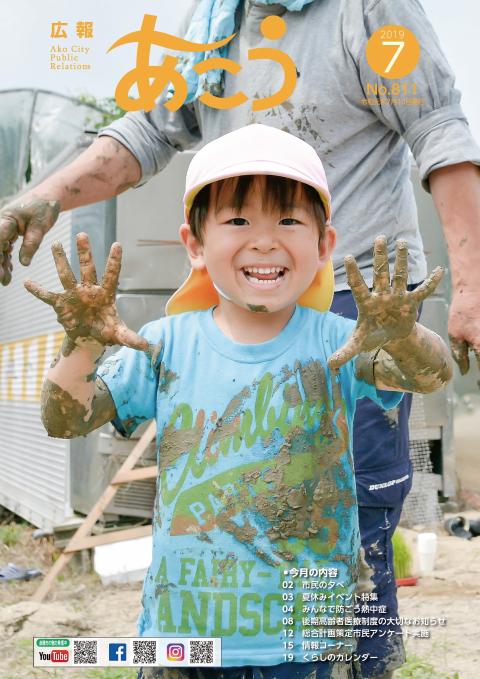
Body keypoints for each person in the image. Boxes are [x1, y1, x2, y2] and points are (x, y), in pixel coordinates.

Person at [1, 1, 479, 675]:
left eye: (287, 217)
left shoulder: (368, 11)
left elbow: (439, 128)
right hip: (185, 648)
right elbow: (146, 128)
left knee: (361, 529)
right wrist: (48, 205)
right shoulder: (214, 22)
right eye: (236, 220)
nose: (262, 235)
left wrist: (453, 298)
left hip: (362, 308)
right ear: (194, 244)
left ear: (322, 237)